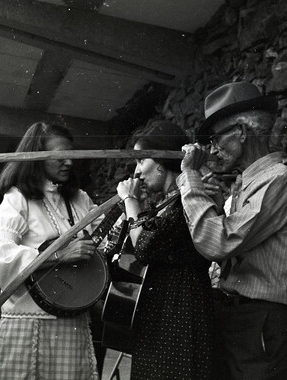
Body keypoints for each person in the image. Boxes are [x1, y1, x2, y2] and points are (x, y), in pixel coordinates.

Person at [178, 81, 287, 380]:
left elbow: (219, 241)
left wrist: (189, 177)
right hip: (244, 320)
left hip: (266, 324)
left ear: (240, 132)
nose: (213, 149)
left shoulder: (279, 180)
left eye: (216, 138)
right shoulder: (246, 184)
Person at [0, 121, 102, 380]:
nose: (68, 163)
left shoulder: (80, 200)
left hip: (72, 322)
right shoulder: (18, 200)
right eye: (59, 156)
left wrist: (129, 200)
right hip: (29, 324)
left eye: (70, 155)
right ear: (36, 159)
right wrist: (58, 255)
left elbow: (105, 241)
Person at [115, 120, 214, 380]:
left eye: (141, 161)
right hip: (163, 311)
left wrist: (130, 200)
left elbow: (144, 246)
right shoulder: (168, 202)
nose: (137, 173)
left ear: (160, 161)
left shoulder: (186, 199)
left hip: (180, 310)